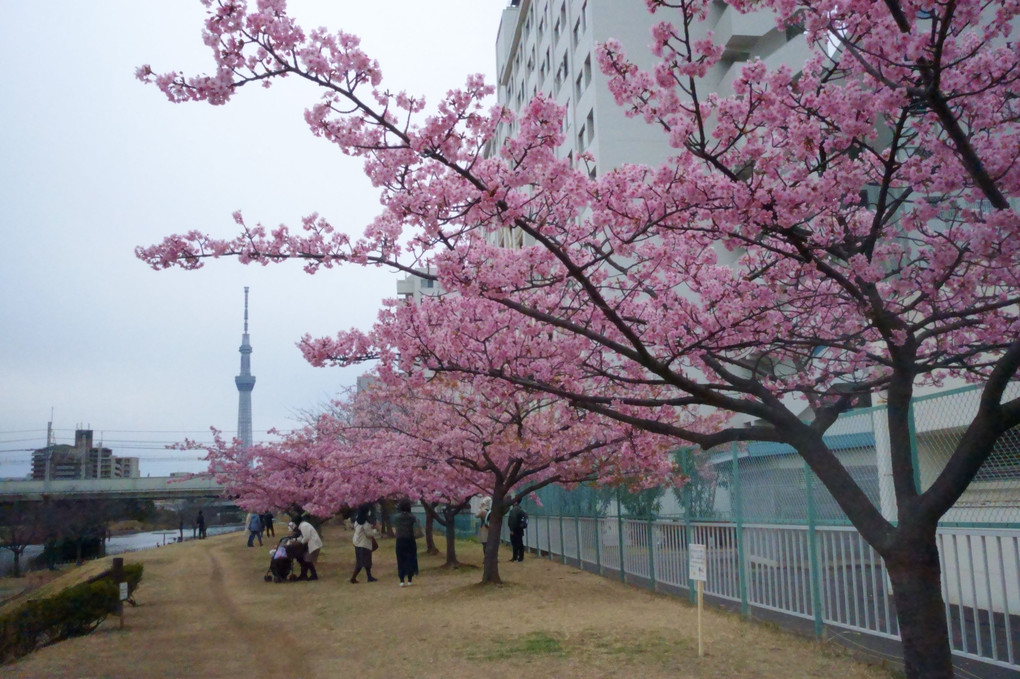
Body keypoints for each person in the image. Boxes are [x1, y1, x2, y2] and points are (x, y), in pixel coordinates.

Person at [391, 499, 420, 586]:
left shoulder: (396, 517)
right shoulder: (412, 517)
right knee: (410, 559)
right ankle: (410, 579)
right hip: (410, 540)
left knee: (400, 559)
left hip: (400, 540)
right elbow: (417, 526)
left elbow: (395, 527)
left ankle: (401, 580)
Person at [350, 504, 380, 583]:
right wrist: (376, 531)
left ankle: (369, 577)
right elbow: (369, 534)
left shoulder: (357, 521)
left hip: (357, 543)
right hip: (364, 544)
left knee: (366, 562)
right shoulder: (365, 523)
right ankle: (353, 578)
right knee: (362, 563)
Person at [291, 516, 322, 581]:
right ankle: (304, 575)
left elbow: (306, 537)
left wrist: (300, 543)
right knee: (305, 560)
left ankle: (313, 575)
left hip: (314, 544)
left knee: (307, 560)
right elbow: (302, 537)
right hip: (313, 544)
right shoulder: (303, 525)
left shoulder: (304, 526)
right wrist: (295, 540)